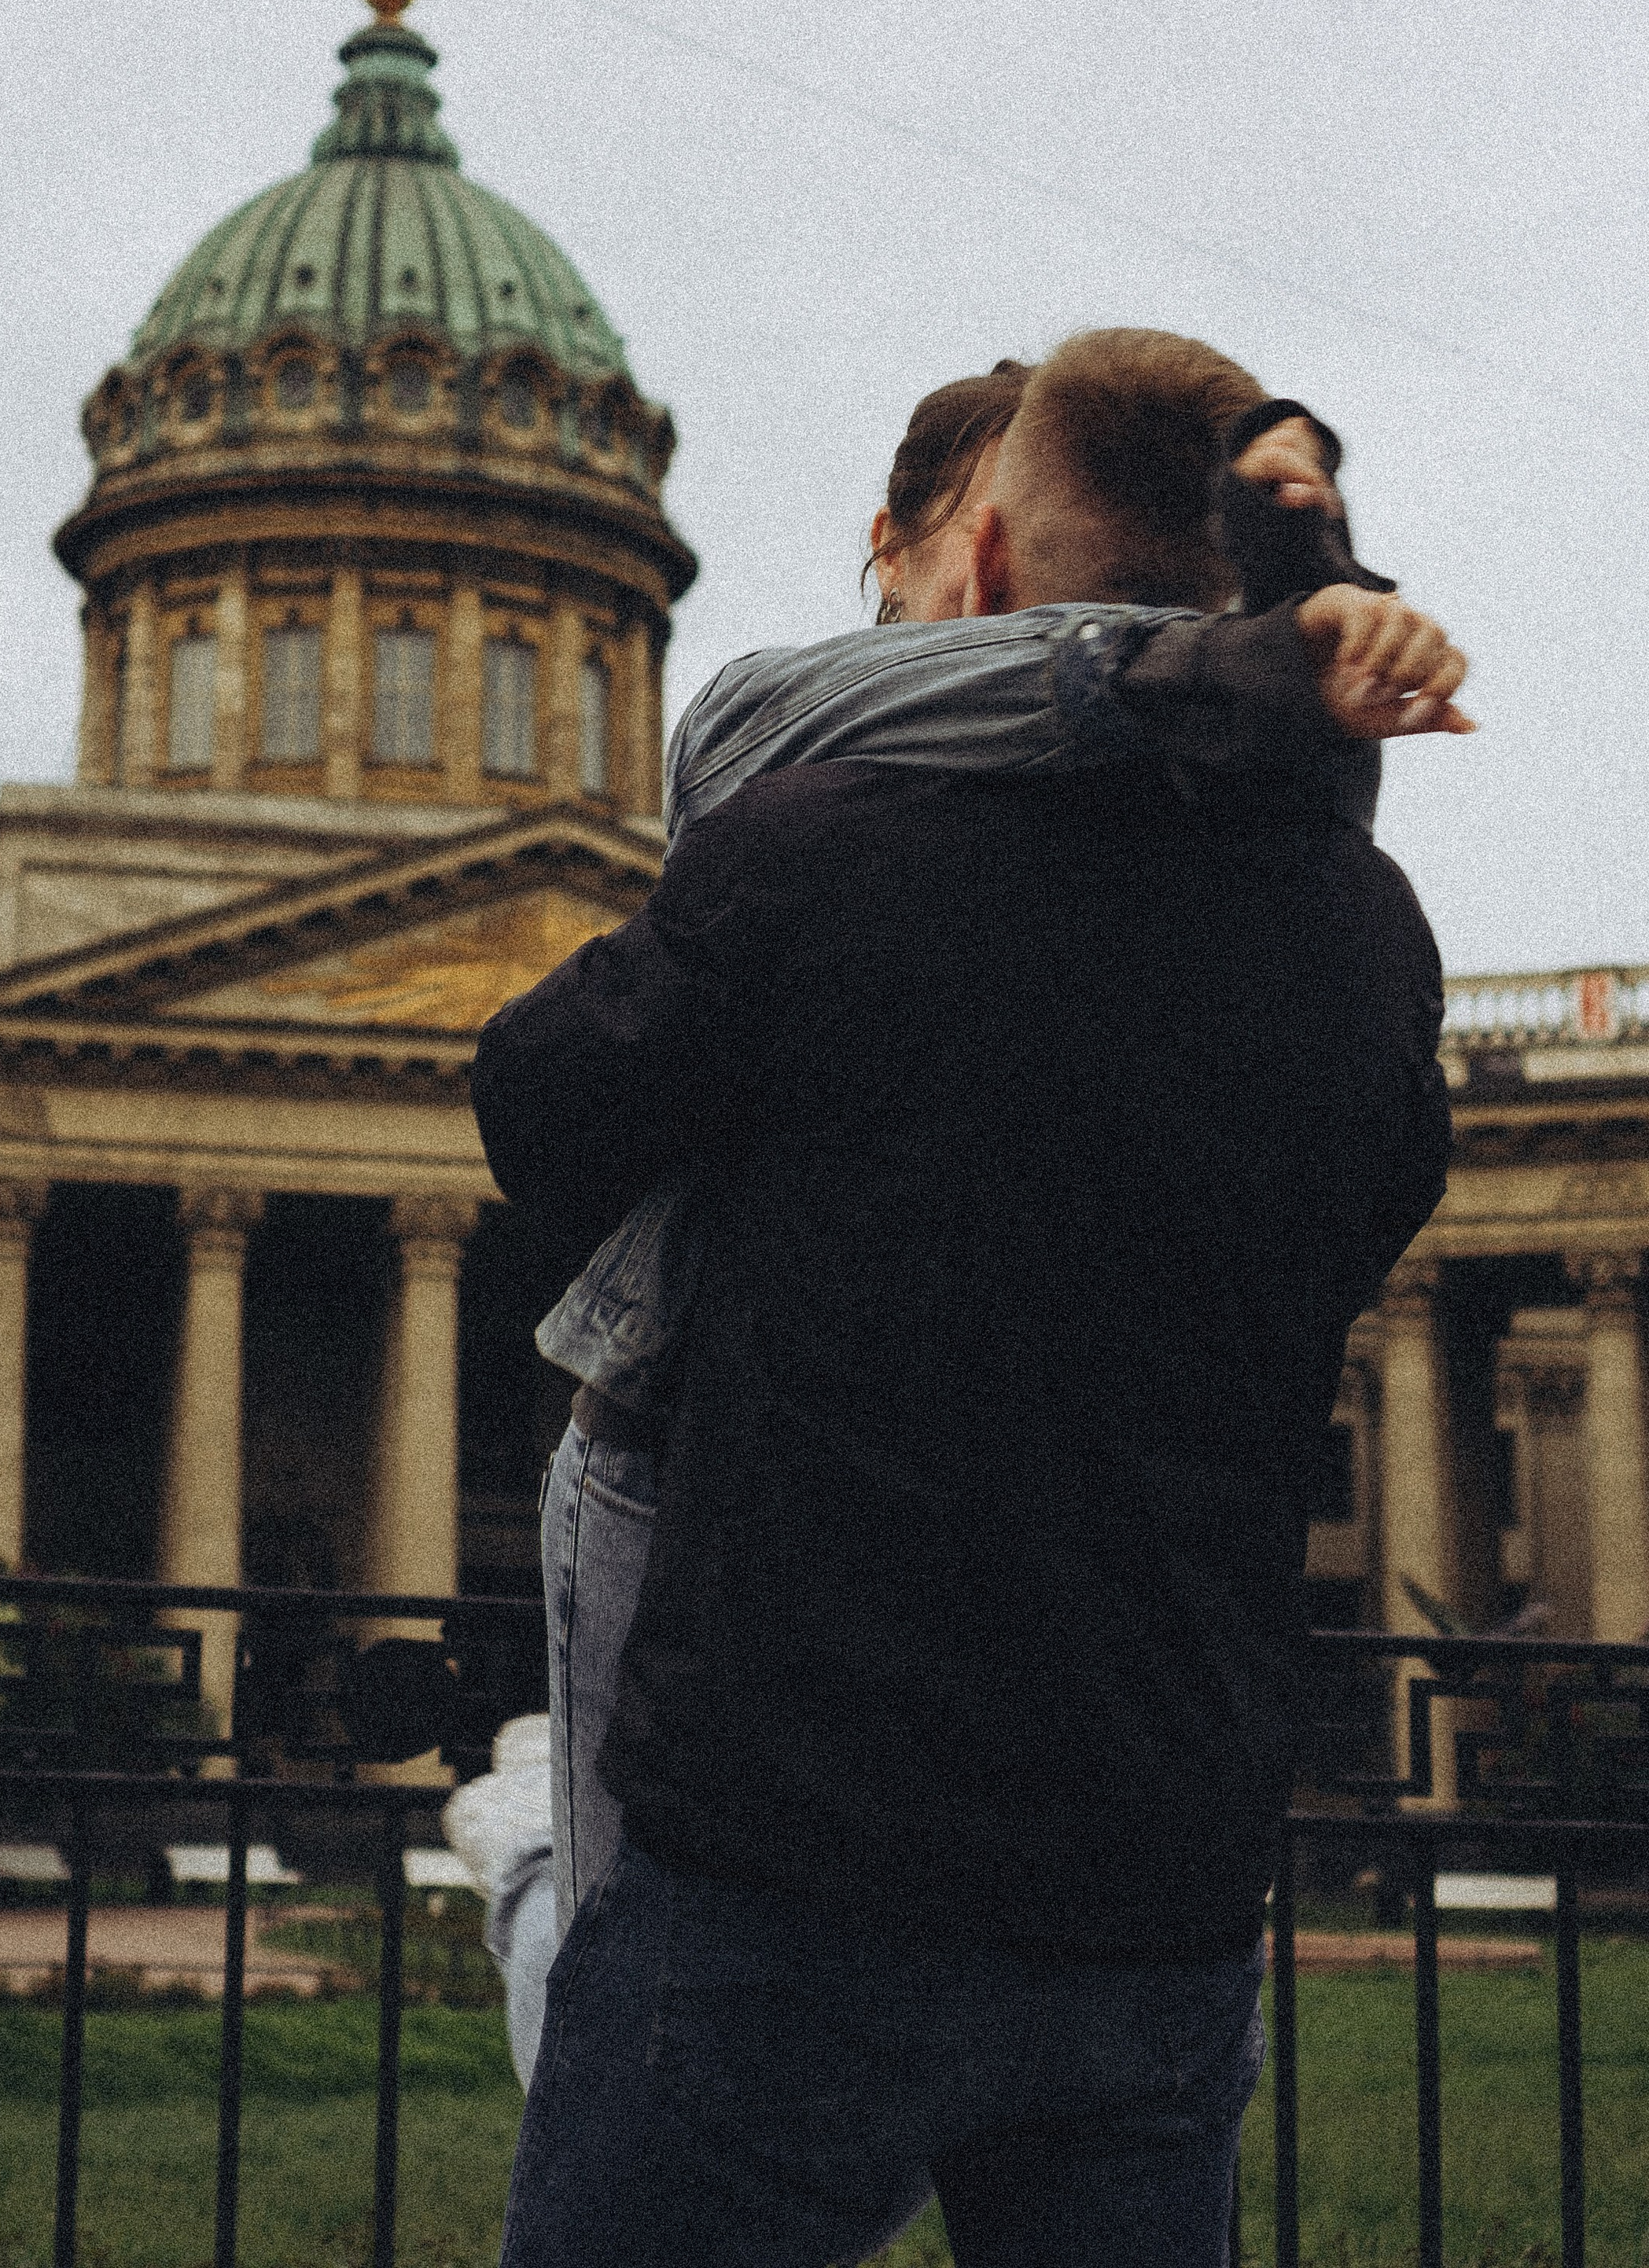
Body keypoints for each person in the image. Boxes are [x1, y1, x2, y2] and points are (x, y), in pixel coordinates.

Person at [472, 329, 1460, 2268]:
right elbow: (1356, 1224)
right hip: (1155, 1883)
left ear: (984, 568)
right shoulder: (1366, 934)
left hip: (796, 1863)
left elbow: (538, 1115)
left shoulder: (814, 850)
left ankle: (529, 1868)